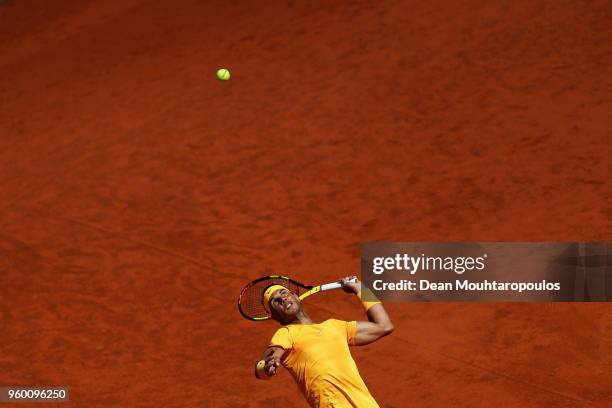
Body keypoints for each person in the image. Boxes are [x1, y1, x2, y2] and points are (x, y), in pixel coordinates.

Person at [254, 276, 394, 407]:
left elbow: (384, 325)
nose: (282, 299)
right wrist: (267, 365)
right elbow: (268, 359)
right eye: (275, 301)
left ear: (295, 296)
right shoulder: (286, 333)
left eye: (283, 293)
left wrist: (360, 289)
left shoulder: (336, 326)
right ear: (275, 316)